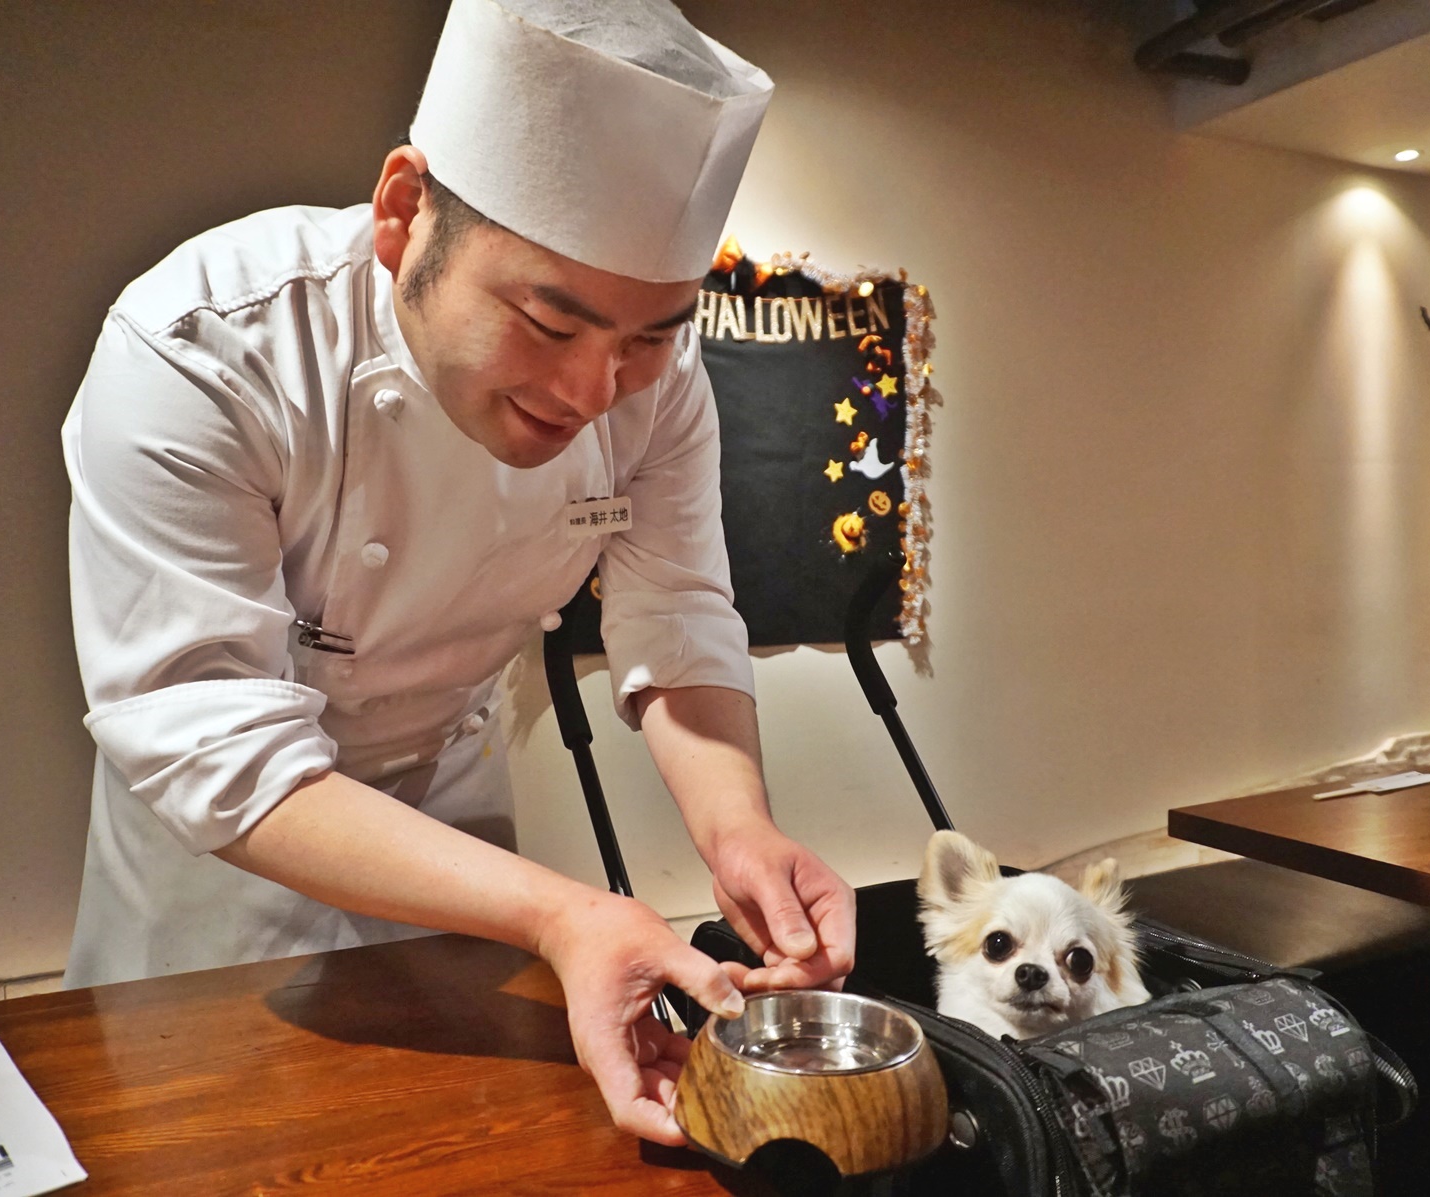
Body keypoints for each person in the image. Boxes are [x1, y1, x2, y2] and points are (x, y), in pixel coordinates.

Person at [59, 0, 854, 1145]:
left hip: (447, 804)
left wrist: (741, 833)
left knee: (465, 1142)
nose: (593, 393)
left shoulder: (656, 390)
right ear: (402, 215)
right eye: (547, 320)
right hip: (218, 864)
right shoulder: (203, 346)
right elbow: (211, 740)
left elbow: (676, 609)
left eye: (649, 335)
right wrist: (567, 915)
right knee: (215, 1147)